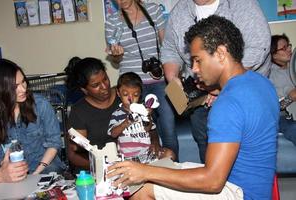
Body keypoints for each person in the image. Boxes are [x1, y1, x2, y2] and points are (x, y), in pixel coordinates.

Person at [107, 15, 279, 200]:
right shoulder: (261, 82)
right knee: (166, 167)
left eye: (198, 60)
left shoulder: (227, 104)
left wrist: (146, 172)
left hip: (239, 193)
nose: (194, 69)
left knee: (143, 189)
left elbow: (212, 181)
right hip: (258, 188)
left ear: (221, 53)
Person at [161, 0, 272, 163]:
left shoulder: (242, 4)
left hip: (242, 91)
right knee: (206, 142)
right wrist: (173, 79)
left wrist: (222, 84)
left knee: (242, 149)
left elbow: (258, 47)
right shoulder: (180, 12)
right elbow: (170, 48)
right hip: (201, 90)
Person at [105, 0, 178, 158]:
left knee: (168, 123)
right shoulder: (112, 21)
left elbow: (166, 44)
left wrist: (172, 75)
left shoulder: (153, 10)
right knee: (139, 127)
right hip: (132, 85)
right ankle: (145, 165)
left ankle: (173, 167)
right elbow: (116, 61)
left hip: (159, 79)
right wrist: (117, 56)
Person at [0, 59, 65, 179]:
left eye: (23, 82)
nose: (23, 89)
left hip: (44, 166)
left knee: (52, 170)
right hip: (12, 172)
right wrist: (8, 172)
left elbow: (54, 143)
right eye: (14, 87)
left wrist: (36, 173)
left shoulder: (40, 104)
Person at [66, 57, 120, 171]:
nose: (104, 87)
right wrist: (102, 165)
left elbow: (149, 128)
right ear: (84, 90)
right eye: (96, 85)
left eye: (105, 79)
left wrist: (155, 142)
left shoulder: (123, 95)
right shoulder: (79, 111)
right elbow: (73, 155)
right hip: (99, 169)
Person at [108, 72, 175, 162]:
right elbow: (113, 134)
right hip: (128, 158)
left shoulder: (143, 110)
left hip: (146, 154)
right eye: (125, 94)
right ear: (118, 93)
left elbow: (148, 129)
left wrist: (147, 116)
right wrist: (126, 122)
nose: (130, 99)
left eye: (135, 95)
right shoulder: (117, 114)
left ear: (140, 95)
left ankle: (153, 170)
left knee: (169, 154)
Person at [269, 34, 296, 146]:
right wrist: (290, 97)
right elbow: (277, 107)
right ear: (274, 55)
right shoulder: (270, 75)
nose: (289, 49)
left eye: (288, 46)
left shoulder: (293, 65)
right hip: (282, 116)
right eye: (284, 48)